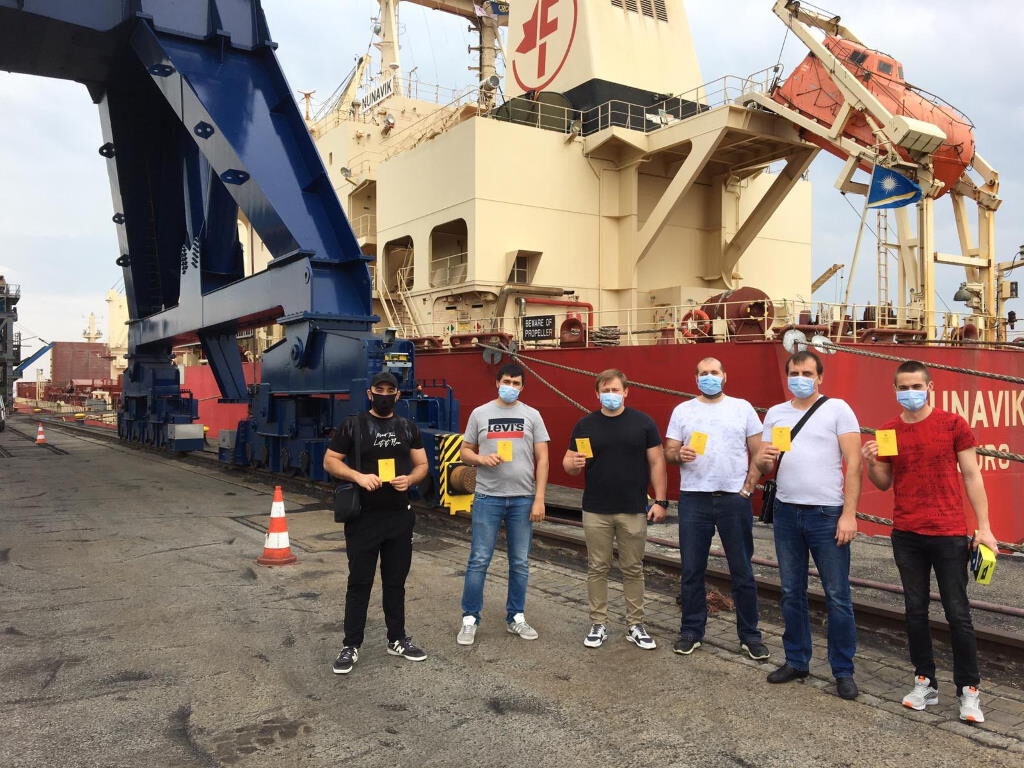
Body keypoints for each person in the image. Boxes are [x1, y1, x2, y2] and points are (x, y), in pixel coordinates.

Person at [861, 360, 998, 723]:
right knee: (915, 611)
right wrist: (871, 463)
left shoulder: (954, 424)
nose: (910, 392)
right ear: (894, 390)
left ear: (929, 387)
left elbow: (972, 475)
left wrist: (984, 527)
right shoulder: (887, 431)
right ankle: (924, 681)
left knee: (958, 614)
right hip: (907, 533)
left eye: (916, 386)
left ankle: (969, 690)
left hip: (949, 532)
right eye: (903, 387)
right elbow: (884, 482)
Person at [756, 350, 861, 700]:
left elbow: (854, 464)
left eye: (806, 373)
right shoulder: (776, 413)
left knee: (837, 595)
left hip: (826, 514)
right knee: (791, 591)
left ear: (819, 377)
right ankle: (797, 660)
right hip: (787, 512)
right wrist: (762, 460)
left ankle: (843, 670)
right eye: (794, 373)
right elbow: (767, 465)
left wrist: (849, 514)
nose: (799, 379)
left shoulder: (838, 409)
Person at [323, 371, 429, 675]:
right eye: (379, 389)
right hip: (363, 518)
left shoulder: (407, 427)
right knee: (359, 583)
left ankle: (397, 639)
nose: (384, 394)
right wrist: (358, 476)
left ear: (398, 395)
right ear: (370, 393)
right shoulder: (353, 425)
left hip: (399, 517)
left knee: (395, 582)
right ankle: (350, 645)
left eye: (389, 390)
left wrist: (410, 479)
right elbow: (330, 461)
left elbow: (422, 464)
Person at [665, 357, 769, 660]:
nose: (708, 377)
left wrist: (748, 487)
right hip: (694, 498)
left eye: (714, 372)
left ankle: (750, 636)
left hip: (733, 499)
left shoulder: (742, 408)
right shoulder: (682, 410)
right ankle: (691, 631)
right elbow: (668, 450)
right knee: (691, 570)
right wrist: (678, 454)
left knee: (742, 570)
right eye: (703, 373)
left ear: (724, 376)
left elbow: (759, 452)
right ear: (695, 378)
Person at [562, 369, 667, 650]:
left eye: (615, 390)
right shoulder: (585, 425)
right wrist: (573, 464)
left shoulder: (643, 423)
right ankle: (598, 623)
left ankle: (635, 624)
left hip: (633, 508)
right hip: (596, 508)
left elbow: (657, 462)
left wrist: (660, 501)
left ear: (626, 392)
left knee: (633, 568)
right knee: (597, 567)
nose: (611, 395)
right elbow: (569, 463)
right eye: (605, 390)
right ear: (597, 394)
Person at [456, 363, 550, 645]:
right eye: (507, 381)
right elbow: (464, 451)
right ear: (497, 383)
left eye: (516, 383)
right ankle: (470, 619)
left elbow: (543, 459)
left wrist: (539, 498)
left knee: (519, 561)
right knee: (479, 559)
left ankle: (516, 617)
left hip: (522, 498)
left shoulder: (532, 415)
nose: (511, 386)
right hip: (488, 497)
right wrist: (480, 459)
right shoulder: (480, 413)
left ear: (522, 387)